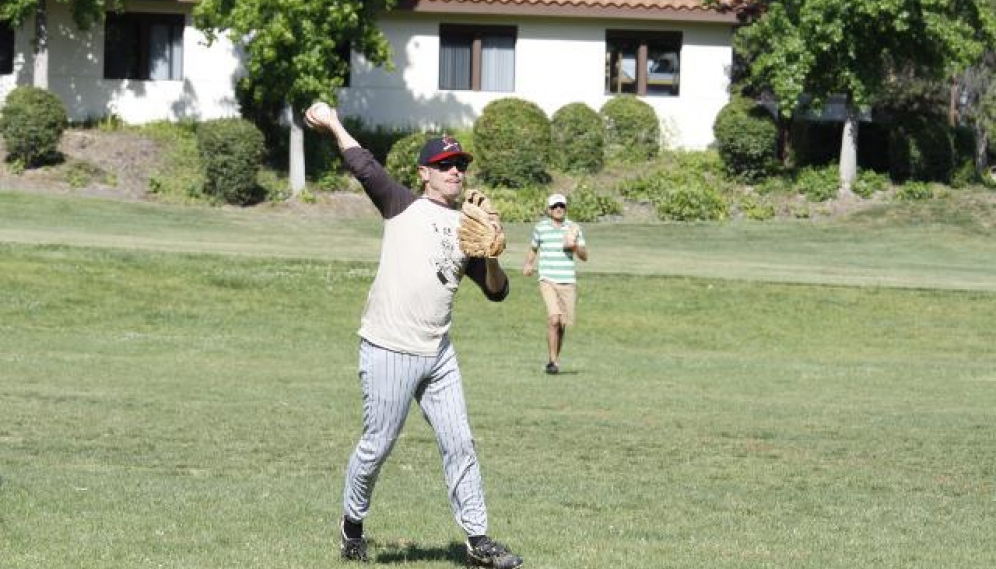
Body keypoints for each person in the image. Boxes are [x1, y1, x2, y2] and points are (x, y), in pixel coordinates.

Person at [303, 102, 523, 569]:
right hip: (389, 347)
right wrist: (333, 123)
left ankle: (478, 540)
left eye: (460, 164)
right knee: (377, 445)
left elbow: (497, 293)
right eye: (444, 165)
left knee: (460, 442)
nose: (455, 172)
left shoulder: (468, 228)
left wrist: (494, 253)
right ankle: (352, 523)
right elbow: (363, 164)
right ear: (425, 173)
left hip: (438, 353)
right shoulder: (401, 204)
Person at [522, 193, 588, 374]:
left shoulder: (573, 228)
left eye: (561, 206)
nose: (558, 209)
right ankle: (552, 361)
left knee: (562, 324)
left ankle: (555, 361)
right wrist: (528, 264)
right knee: (553, 319)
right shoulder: (540, 228)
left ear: (565, 208)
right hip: (547, 279)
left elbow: (584, 257)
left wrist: (574, 246)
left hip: (568, 281)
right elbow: (533, 248)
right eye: (554, 206)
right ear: (549, 210)